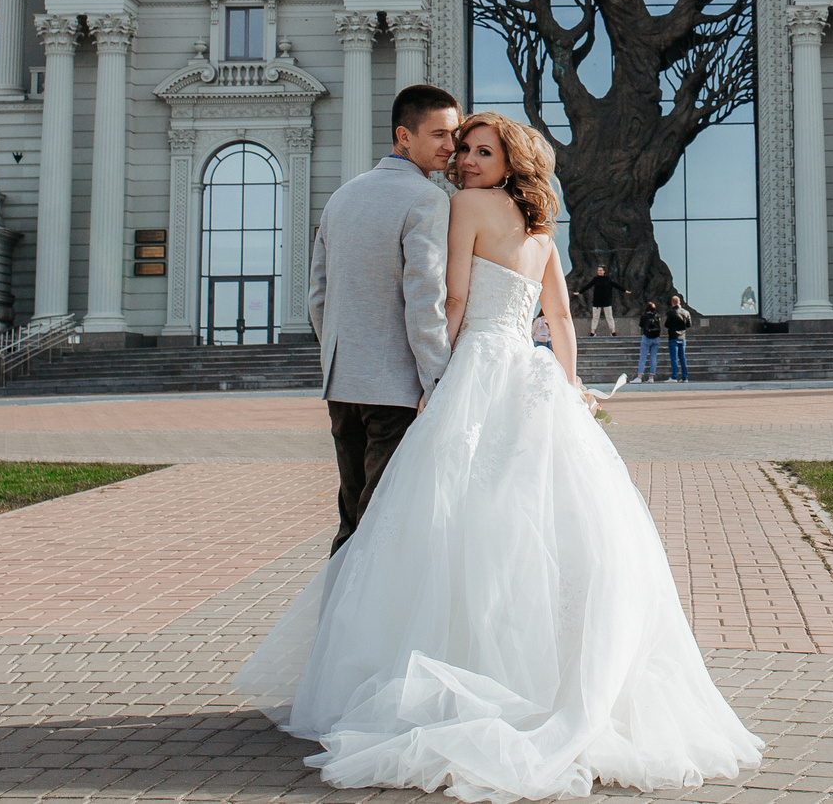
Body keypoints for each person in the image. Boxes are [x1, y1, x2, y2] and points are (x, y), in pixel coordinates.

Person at [236, 110, 761, 798]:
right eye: (466, 150)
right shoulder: (542, 231)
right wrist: (570, 384)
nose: (468, 160)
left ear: (510, 159)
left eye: (482, 151)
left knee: (451, 519)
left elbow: (452, 297)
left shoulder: (464, 207)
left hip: (478, 367)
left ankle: (459, 670)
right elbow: (562, 320)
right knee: (534, 521)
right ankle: (543, 678)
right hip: (529, 368)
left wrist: (437, 376)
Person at [307, 83, 459, 554]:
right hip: (395, 389)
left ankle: (336, 622)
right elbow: (425, 299)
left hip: (342, 384)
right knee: (380, 526)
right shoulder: (426, 200)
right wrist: (438, 381)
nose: (450, 147)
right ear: (403, 136)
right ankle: (359, 625)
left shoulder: (342, 196)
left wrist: (339, 348)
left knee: (352, 517)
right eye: (439, 134)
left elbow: (317, 296)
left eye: (453, 135)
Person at [665, 293, 693, 382]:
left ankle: (674, 376)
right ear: (679, 302)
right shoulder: (686, 312)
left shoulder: (671, 312)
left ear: (672, 303)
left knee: (674, 358)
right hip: (682, 337)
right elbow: (689, 324)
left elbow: (667, 325)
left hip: (673, 337)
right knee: (682, 358)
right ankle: (685, 377)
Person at [584, 264, 619, 335]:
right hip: (597, 302)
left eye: (600, 270)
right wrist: (580, 292)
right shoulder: (595, 279)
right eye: (598, 270)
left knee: (609, 317)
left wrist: (625, 291)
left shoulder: (608, 279)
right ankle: (592, 331)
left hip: (606, 301)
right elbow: (588, 286)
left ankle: (613, 331)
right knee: (595, 317)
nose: (599, 272)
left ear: (604, 271)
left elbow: (616, 285)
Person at [636, 301, 663, 381]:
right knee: (653, 358)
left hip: (647, 337)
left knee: (643, 357)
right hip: (656, 338)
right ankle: (651, 377)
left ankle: (639, 377)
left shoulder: (644, 316)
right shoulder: (657, 316)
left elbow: (641, 325)